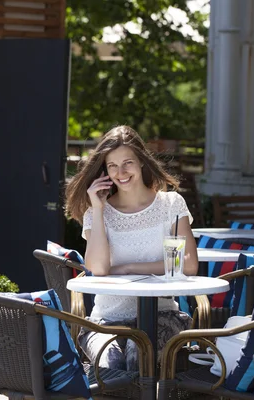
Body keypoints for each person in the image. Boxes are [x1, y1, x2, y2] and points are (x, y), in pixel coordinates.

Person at [65, 125, 198, 371]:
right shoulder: (96, 212)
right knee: (115, 365)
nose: (121, 172)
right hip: (105, 322)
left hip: (162, 315)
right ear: (104, 170)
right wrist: (99, 208)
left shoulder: (171, 204)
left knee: (138, 358)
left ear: (142, 163)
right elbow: (98, 268)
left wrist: (128, 267)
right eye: (112, 166)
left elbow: (187, 264)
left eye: (128, 163)